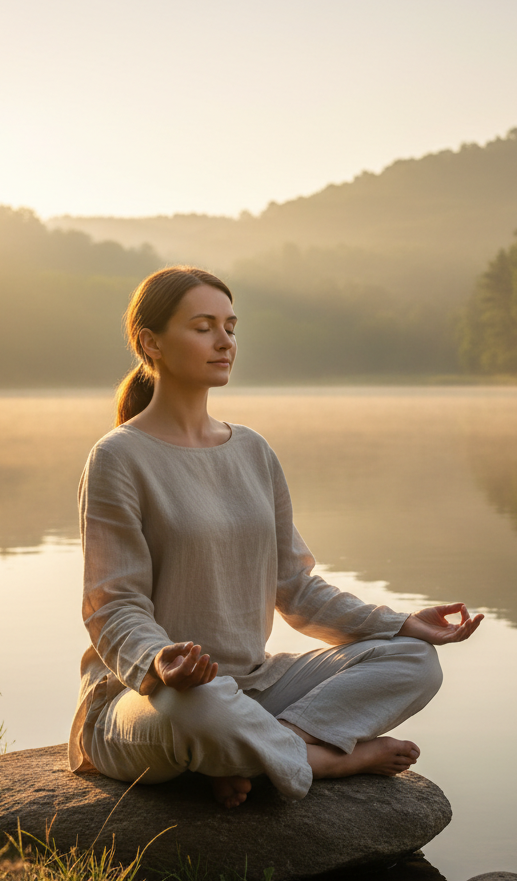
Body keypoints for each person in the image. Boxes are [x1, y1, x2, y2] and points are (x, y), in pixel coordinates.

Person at [68, 266, 483, 808]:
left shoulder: (253, 452)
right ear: (152, 343)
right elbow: (112, 607)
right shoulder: (118, 458)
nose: (225, 342)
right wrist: (158, 660)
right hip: (147, 698)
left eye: (231, 327)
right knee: (202, 707)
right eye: (203, 327)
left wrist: (400, 622)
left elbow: (295, 587)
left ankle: (247, 755)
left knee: (413, 660)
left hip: (254, 686)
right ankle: (323, 759)